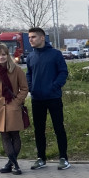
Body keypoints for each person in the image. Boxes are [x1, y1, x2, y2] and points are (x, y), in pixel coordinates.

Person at [25, 27, 70, 170]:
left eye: (33, 37)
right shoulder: (30, 56)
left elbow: (63, 72)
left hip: (53, 97)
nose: (30, 40)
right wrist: (31, 87)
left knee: (59, 128)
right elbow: (29, 74)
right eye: (29, 37)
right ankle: (41, 158)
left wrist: (54, 86)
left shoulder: (55, 54)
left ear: (42, 38)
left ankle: (63, 158)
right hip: (37, 98)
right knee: (39, 129)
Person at [0, 43, 29, 174]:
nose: (1, 57)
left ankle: (12, 164)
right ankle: (14, 165)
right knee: (4, 136)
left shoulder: (17, 69)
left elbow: (24, 88)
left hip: (13, 107)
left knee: (15, 134)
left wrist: (17, 101)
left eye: (3, 54)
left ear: (8, 55)